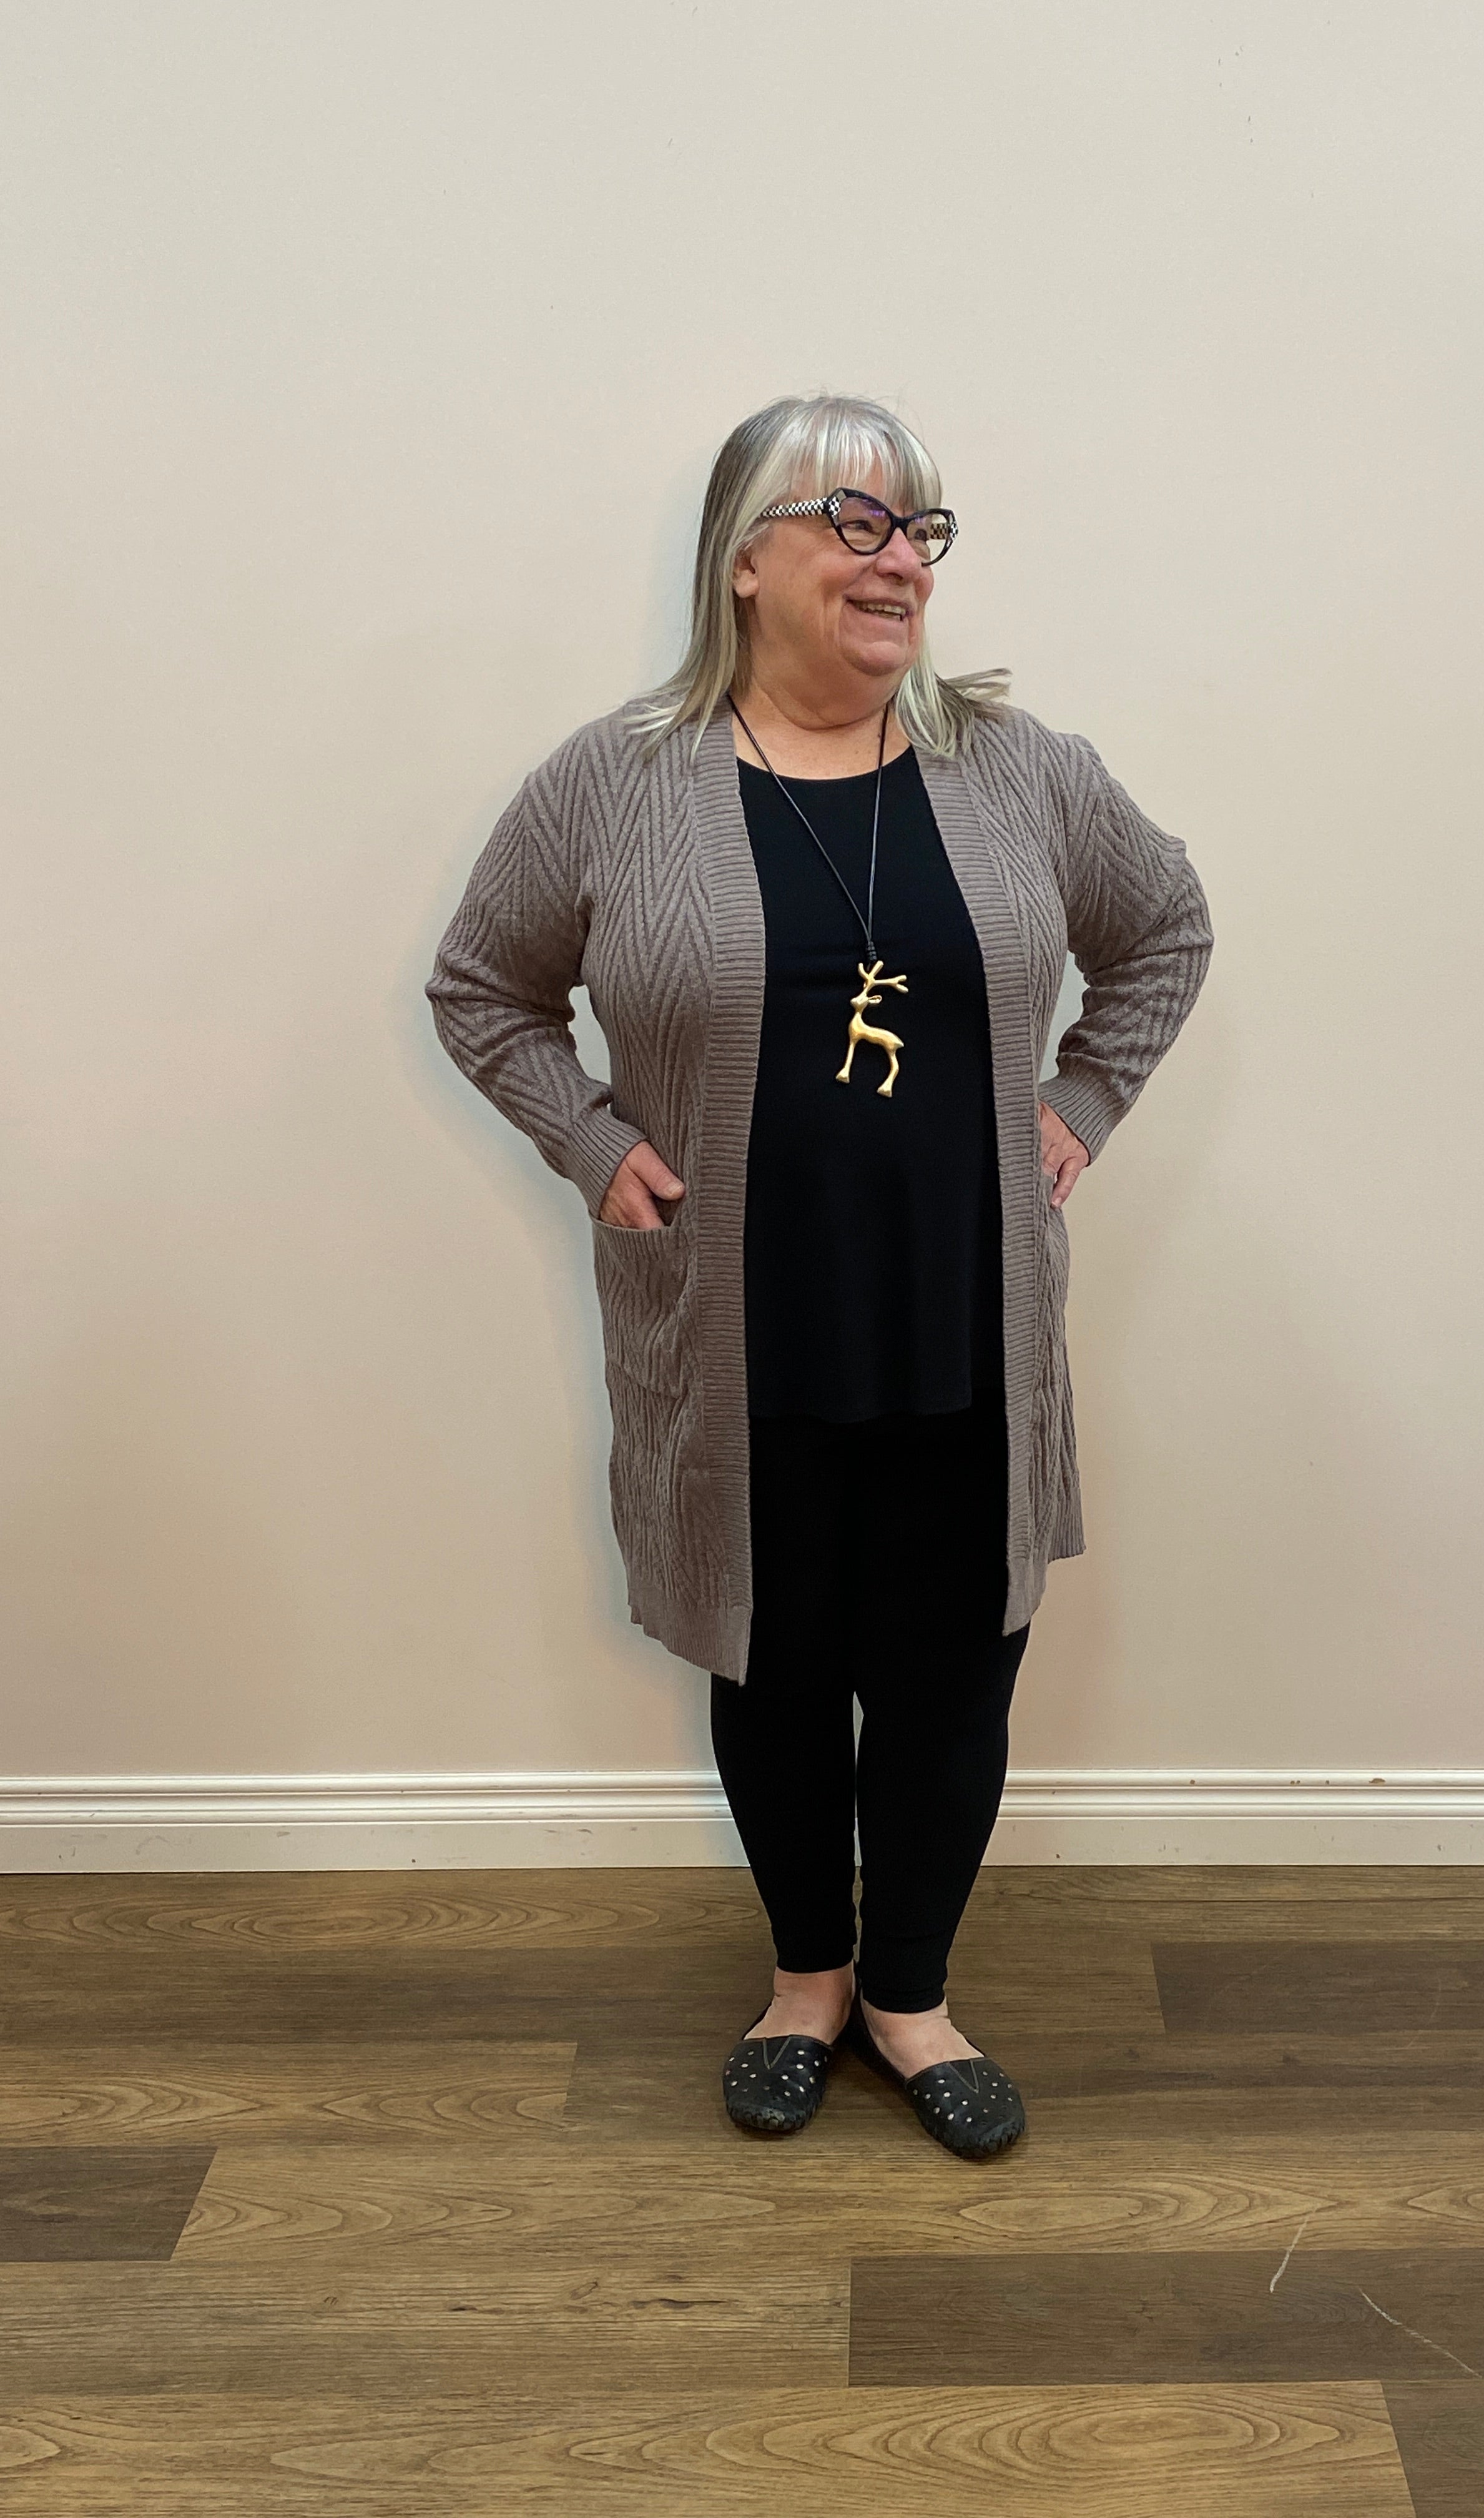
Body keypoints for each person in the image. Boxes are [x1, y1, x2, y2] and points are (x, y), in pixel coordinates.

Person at [428, 393, 1212, 2159]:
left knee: (951, 1667)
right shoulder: (618, 783)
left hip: (961, 1307)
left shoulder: (1017, 771)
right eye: (858, 520)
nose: (899, 559)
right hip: (735, 1325)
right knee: (771, 1659)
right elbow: (483, 986)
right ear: (748, 556)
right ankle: (804, 1981)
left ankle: (912, 1995)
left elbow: (1163, 922)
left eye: (921, 529)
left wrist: (1084, 1097)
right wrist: (591, 1140)